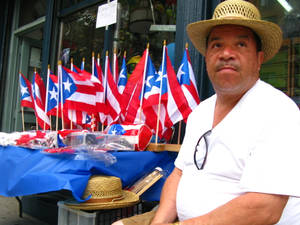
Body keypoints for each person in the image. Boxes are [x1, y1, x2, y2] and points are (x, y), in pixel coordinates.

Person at [113, 0, 300, 224]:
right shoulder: (201, 111)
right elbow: (179, 174)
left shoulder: (278, 111)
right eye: (217, 45)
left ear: (259, 59)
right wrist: (159, 222)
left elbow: (264, 208)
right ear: (207, 56)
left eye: (241, 45)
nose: (226, 54)